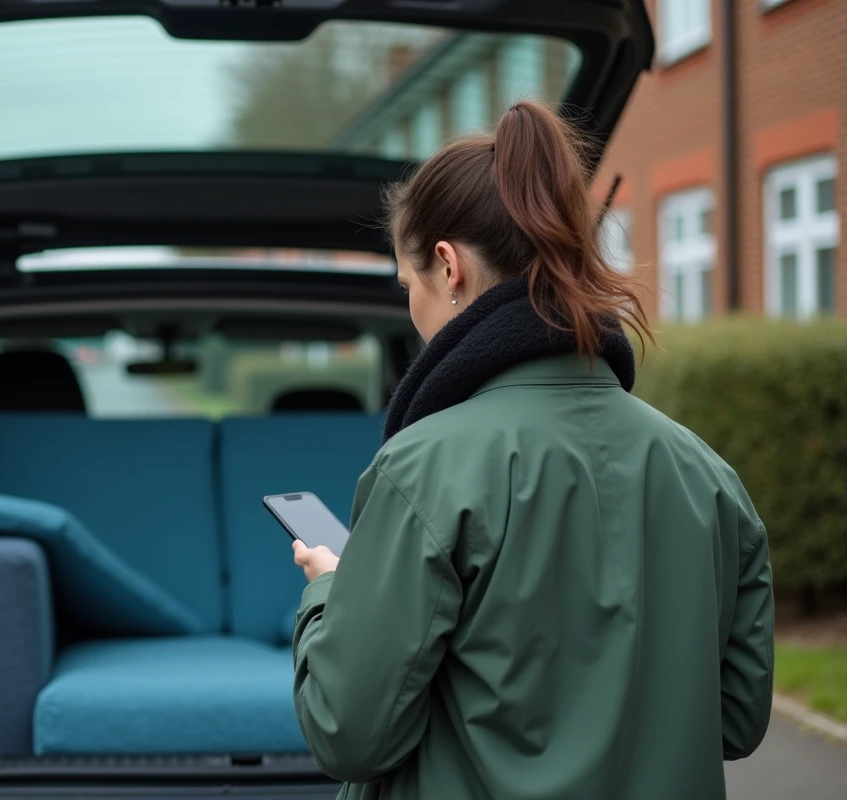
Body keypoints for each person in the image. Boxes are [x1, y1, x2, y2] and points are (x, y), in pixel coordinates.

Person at [290, 101, 774, 800]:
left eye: (408, 285)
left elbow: (348, 731)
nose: (411, 309)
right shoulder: (708, 475)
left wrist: (329, 593)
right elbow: (734, 720)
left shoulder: (423, 470)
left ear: (448, 267)